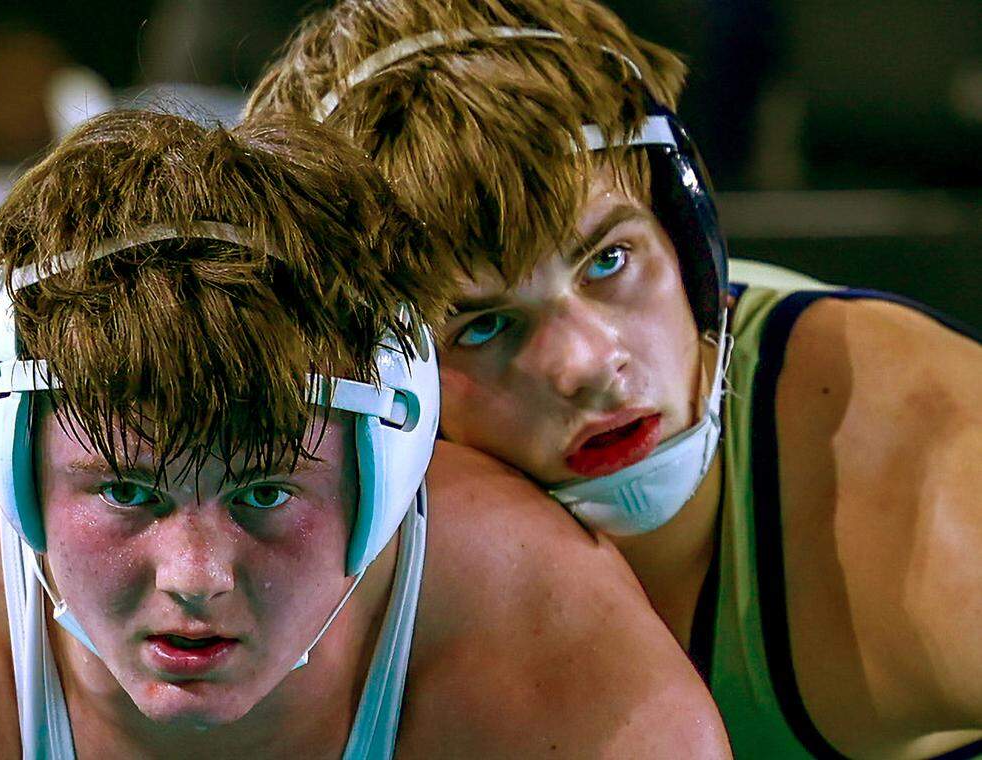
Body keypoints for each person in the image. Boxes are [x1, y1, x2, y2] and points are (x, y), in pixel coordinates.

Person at [0, 110, 727, 758]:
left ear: (382, 476)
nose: (196, 578)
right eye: (126, 492)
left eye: (265, 494)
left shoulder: (545, 637)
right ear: (17, 473)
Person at [248, 1, 982, 757]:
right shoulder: (274, 519)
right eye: (485, 326)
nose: (589, 366)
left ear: (689, 235)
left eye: (610, 260)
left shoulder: (916, 460)